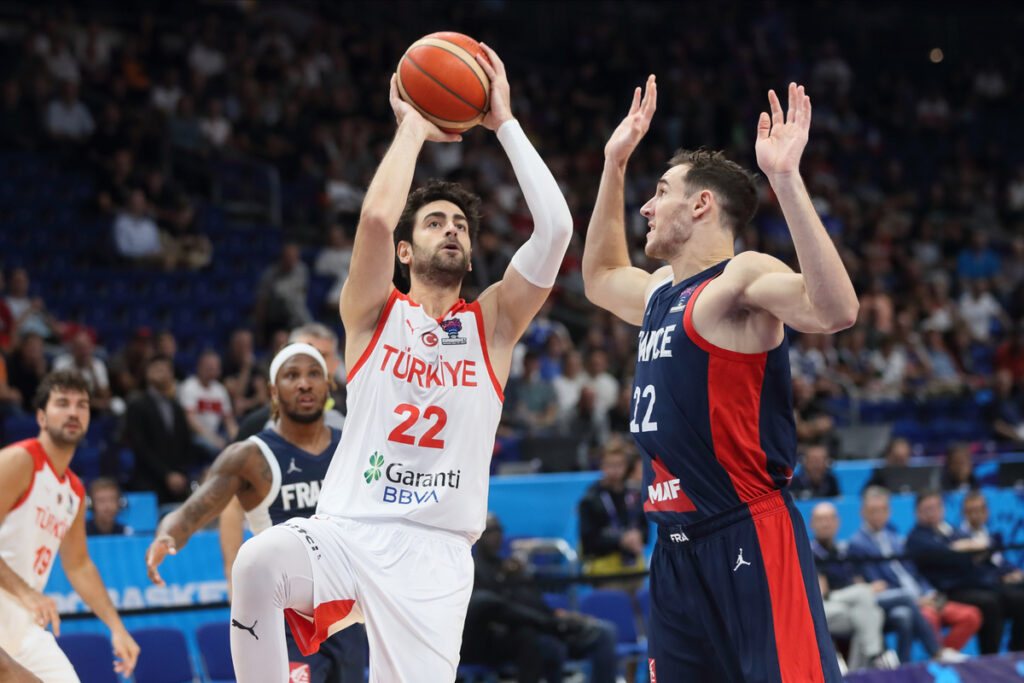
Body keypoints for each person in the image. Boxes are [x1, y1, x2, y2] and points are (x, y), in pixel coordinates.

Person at [227, 43, 572, 682]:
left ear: (469, 255)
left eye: (461, 228)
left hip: (435, 554)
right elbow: (377, 217)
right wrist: (413, 125)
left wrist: (504, 125)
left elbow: (554, 231)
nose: (451, 230)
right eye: (436, 222)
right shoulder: (373, 314)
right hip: (347, 529)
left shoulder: (492, 325)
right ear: (406, 252)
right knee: (257, 565)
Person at [581, 77, 857, 681]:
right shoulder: (659, 291)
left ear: (701, 204)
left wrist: (786, 180)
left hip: (749, 531)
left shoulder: (740, 279)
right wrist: (614, 161)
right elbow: (600, 276)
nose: (646, 208)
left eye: (660, 193)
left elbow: (835, 311)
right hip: (674, 549)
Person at [145, 344, 366, 682]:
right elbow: (190, 513)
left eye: (313, 374)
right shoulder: (250, 456)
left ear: (328, 385)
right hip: (285, 615)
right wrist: (167, 535)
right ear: (274, 392)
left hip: (346, 609)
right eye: (292, 375)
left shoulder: (354, 445)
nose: (304, 384)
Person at [0, 371, 139, 680]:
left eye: (82, 405)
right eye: (62, 403)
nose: (74, 412)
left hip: (23, 627)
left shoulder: (74, 490)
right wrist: (28, 593)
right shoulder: (19, 462)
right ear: (41, 416)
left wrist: (117, 628)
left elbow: (78, 565)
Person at [462, 513, 618, 683]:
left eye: (499, 531)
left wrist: (558, 616)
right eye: (490, 532)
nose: (496, 537)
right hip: (506, 637)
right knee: (547, 644)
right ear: (479, 536)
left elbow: (535, 601)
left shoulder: (510, 567)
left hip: (545, 625)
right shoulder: (472, 571)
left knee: (605, 632)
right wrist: (553, 623)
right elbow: (502, 610)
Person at [848, 487, 977, 662]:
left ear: (888, 511)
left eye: (882, 510)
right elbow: (878, 584)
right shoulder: (857, 543)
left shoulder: (893, 537)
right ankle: (936, 653)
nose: (878, 515)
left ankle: (940, 656)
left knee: (971, 615)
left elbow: (913, 572)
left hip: (919, 595)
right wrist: (918, 600)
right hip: (892, 598)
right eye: (873, 511)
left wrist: (929, 592)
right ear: (863, 512)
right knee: (908, 611)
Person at [906, 490, 1024, 654]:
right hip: (949, 591)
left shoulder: (950, 532)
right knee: (991, 603)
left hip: (975, 584)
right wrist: (964, 551)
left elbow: (985, 551)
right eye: (927, 508)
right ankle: (990, 658)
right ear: (917, 511)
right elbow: (952, 557)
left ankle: (1017, 651)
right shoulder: (917, 538)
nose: (932, 512)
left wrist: (965, 550)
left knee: (1019, 597)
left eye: (936, 507)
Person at [234, 323, 346, 440]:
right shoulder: (255, 426)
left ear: (335, 365)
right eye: (303, 355)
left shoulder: (350, 421)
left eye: (322, 356)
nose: (314, 362)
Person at [123, 355, 198, 504]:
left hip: (178, 484)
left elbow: (185, 444)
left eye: (166, 370)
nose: (163, 373)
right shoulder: (137, 405)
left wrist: (181, 474)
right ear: (147, 373)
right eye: (158, 369)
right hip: (148, 482)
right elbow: (140, 446)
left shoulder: (177, 407)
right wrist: (166, 475)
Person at [578, 440, 648, 588]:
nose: (615, 470)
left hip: (635, 569)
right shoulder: (591, 498)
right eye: (610, 465)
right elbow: (588, 541)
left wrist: (638, 535)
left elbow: (645, 530)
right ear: (602, 465)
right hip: (606, 572)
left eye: (619, 465)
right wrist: (620, 540)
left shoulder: (634, 495)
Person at [178, 349, 237, 457]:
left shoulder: (220, 390)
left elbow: (229, 421)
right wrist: (213, 439)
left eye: (215, 367)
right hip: (193, 436)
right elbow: (191, 422)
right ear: (199, 367)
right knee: (217, 450)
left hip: (215, 435)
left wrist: (237, 440)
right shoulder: (189, 386)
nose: (212, 370)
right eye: (209, 366)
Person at [53, 330, 112, 413]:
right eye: (80, 348)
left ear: (92, 348)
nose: (84, 352)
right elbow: (56, 392)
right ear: (73, 349)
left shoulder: (98, 365)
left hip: (92, 410)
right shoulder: (61, 363)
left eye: (86, 348)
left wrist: (93, 373)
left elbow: (106, 398)